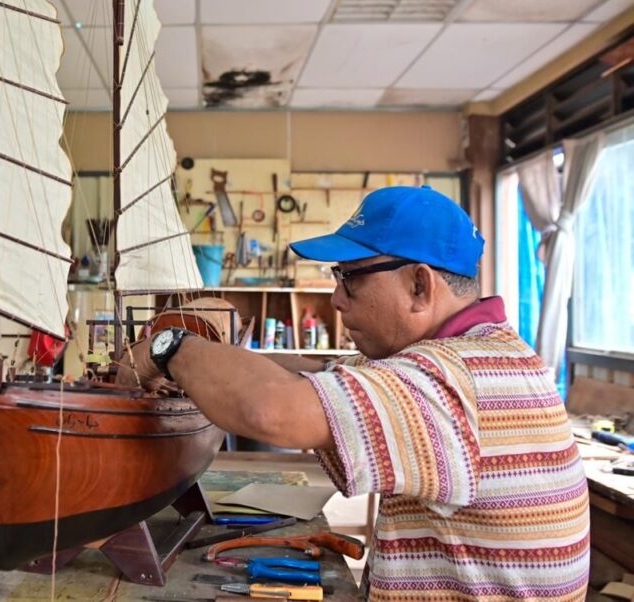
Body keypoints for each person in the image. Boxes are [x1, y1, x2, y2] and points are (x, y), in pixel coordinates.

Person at [127, 186, 589, 601]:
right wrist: (215, 357)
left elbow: (272, 409)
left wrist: (170, 347)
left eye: (350, 276)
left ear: (419, 285)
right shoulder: (486, 354)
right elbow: (318, 372)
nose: (336, 299)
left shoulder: (446, 380)